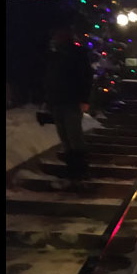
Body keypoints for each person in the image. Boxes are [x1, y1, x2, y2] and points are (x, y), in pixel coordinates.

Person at [43, 21, 93, 188]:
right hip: (59, 100)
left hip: (71, 100)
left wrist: (84, 99)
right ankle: (73, 169)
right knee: (65, 137)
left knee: (73, 136)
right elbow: (50, 78)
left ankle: (80, 170)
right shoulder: (55, 55)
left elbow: (85, 77)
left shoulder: (76, 54)